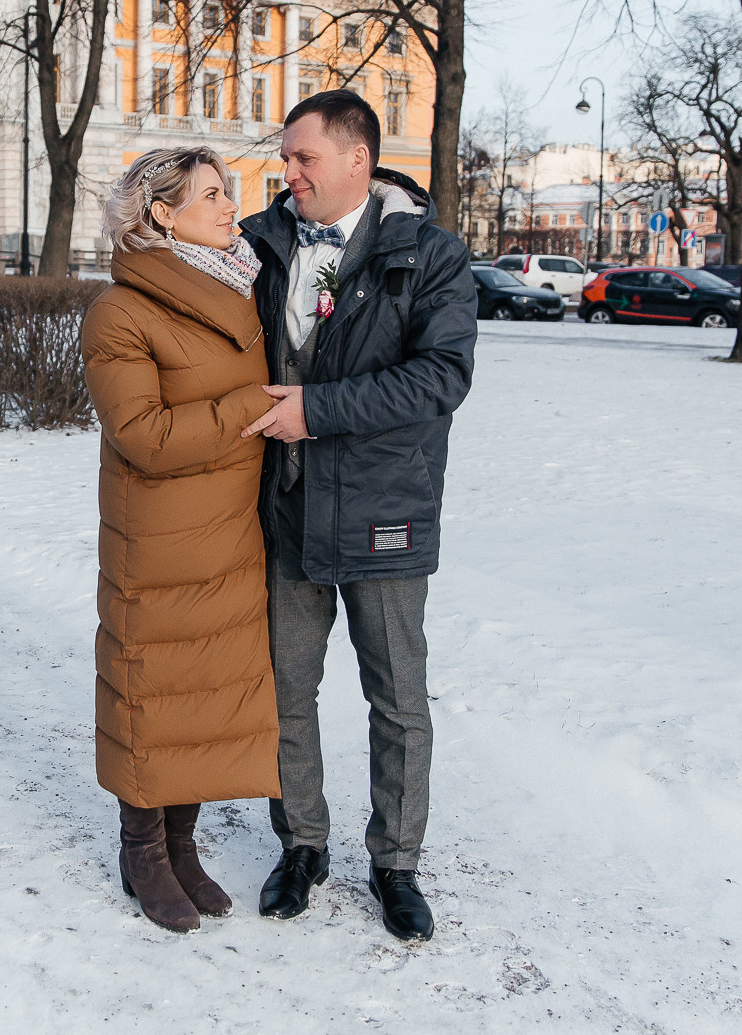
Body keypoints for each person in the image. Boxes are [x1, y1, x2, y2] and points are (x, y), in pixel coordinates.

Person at [238, 88, 477, 942]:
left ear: (357, 159)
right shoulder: (259, 245)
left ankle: (396, 862)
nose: (289, 172)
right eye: (286, 157)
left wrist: (319, 409)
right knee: (284, 691)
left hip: (385, 512)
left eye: (303, 157)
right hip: (288, 509)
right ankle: (301, 844)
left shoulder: (431, 254)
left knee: (397, 698)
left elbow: (441, 377)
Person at [81, 147, 282, 934]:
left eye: (228, 191)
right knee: (154, 691)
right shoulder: (120, 312)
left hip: (229, 531)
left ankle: (181, 845)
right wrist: (251, 407)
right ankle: (142, 849)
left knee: (201, 694)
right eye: (211, 195)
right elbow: (144, 435)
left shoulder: (239, 287)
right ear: (163, 214)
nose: (231, 206)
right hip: (161, 538)